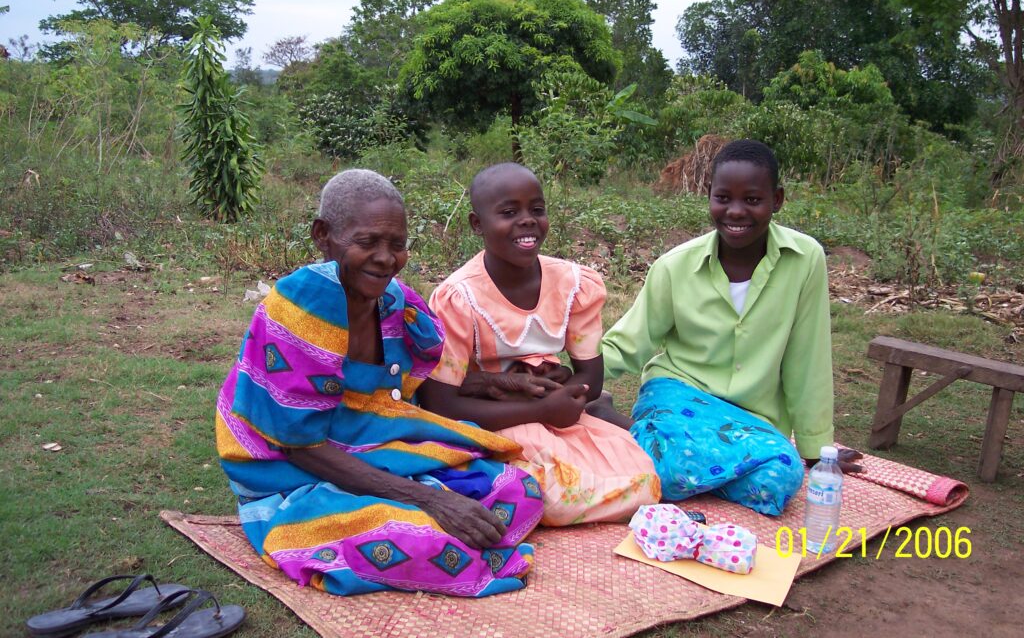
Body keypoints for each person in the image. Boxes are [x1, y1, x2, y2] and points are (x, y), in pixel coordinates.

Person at [215, 169, 543, 598]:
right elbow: (300, 447)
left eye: (397, 245)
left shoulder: (393, 301)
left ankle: (431, 526)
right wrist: (430, 500)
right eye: (367, 242)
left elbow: (414, 380)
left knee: (521, 489)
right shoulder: (298, 309)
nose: (386, 259)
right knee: (421, 543)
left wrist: (499, 383)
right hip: (292, 473)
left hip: (368, 447)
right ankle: (423, 533)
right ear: (323, 236)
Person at [601, 139, 860, 517]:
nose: (736, 211)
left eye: (752, 200)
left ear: (777, 200)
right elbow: (631, 341)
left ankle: (638, 442)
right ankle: (620, 423)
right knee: (676, 464)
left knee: (780, 476)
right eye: (723, 198)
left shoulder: (805, 259)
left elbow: (809, 357)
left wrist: (815, 448)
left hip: (751, 418)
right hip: (678, 394)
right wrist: (573, 373)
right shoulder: (674, 266)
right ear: (709, 195)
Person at [418, 163, 660, 526]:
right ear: (477, 224)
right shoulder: (459, 298)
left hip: (556, 407)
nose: (527, 220)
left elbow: (591, 377)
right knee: (556, 494)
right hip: (492, 417)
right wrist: (540, 409)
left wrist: (565, 397)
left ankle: (595, 419)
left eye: (537, 209)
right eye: (508, 212)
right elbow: (440, 403)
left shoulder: (573, 284)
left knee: (646, 478)